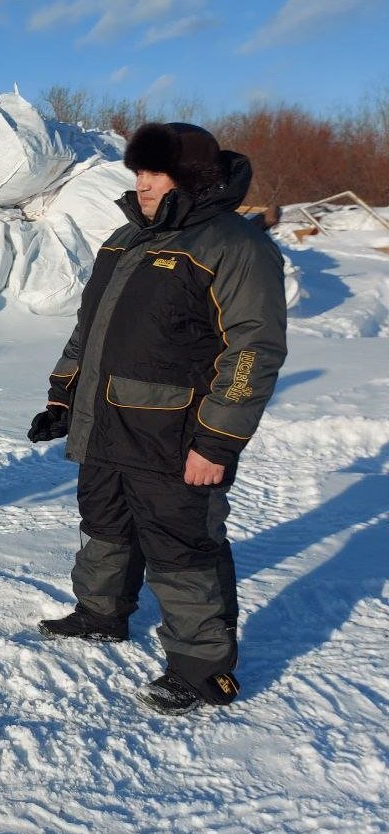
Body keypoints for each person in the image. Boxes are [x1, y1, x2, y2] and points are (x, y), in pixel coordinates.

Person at [28, 122, 287, 715]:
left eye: (153, 173)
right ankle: (101, 614)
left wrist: (218, 440)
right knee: (105, 523)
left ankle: (202, 670)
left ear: (189, 177)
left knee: (181, 548)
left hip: (176, 436)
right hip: (108, 423)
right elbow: (89, 330)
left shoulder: (233, 245)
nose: (140, 184)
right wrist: (63, 397)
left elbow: (252, 351)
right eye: (137, 172)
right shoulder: (126, 239)